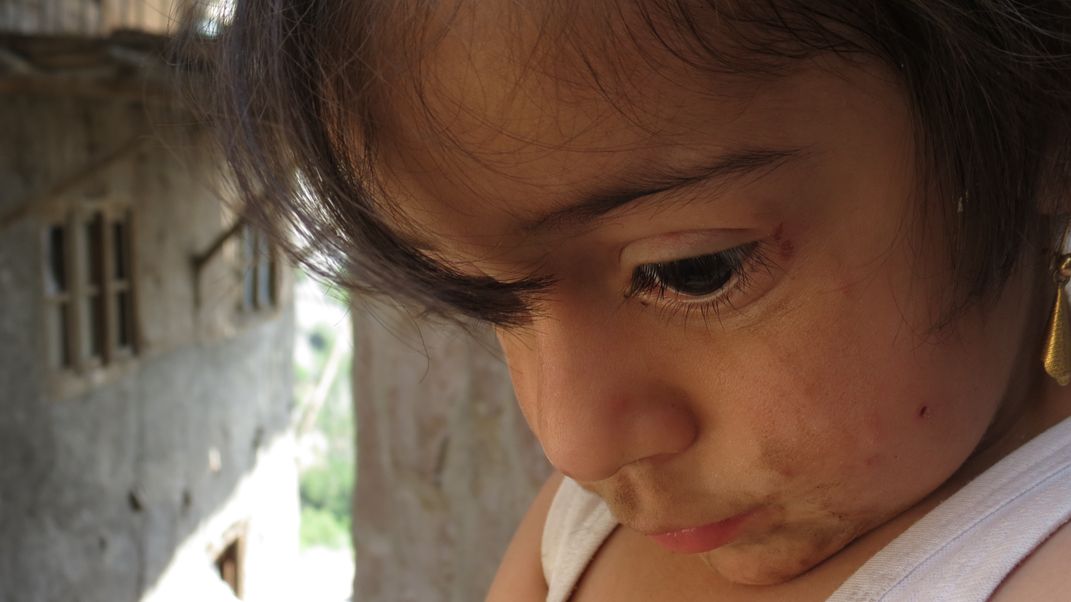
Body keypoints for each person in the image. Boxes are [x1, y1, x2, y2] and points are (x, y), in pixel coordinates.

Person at [204, 1, 1071, 599]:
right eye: (489, 305)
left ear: (1042, 135)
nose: (570, 440)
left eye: (694, 272)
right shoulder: (579, 533)